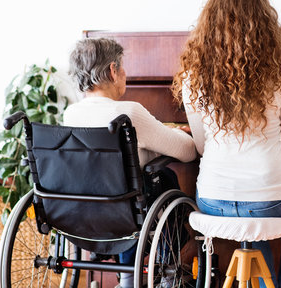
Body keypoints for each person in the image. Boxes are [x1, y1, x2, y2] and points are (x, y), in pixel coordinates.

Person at [172, 0, 281, 288]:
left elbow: (202, 146)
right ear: (264, 22)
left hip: (211, 200)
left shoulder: (193, 78)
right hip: (267, 200)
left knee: (252, 208)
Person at [65, 38, 197, 288]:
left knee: (129, 185)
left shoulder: (70, 115)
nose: (125, 73)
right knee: (163, 179)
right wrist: (176, 135)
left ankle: (127, 279)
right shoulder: (130, 113)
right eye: (122, 67)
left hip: (82, 214)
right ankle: (172, 262)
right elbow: (188, 152)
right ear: (113, 70)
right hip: (127, 210)